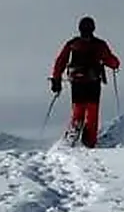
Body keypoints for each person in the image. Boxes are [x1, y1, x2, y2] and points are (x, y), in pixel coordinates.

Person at [50, 16, 120, 148]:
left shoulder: (72, 44)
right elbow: (110, 60)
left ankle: (71, 137)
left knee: (78, 109)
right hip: (93, 82)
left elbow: (60, 61)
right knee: (92, 112)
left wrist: (56, 79)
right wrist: (115, 64)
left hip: (77, 82)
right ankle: (89, 142)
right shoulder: (99, 44)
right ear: (93, 28)